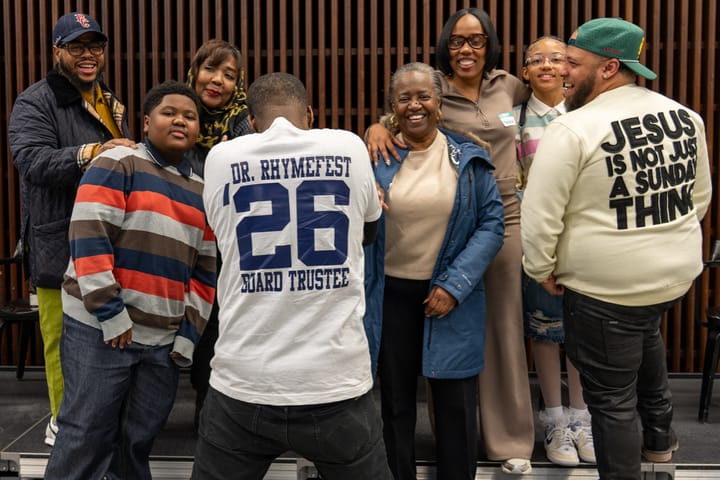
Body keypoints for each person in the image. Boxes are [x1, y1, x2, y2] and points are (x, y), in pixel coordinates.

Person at [521, 18, 712, 480]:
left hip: (604, 290)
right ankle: (661, 442)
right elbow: (698, 199)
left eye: (572, 62)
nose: (562, 71)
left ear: (609, 68)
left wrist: (542, 268)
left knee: (611, 400)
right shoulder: (685, 116)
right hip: (672, 279)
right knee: (645, 335)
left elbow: (540, 216)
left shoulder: (574, 128)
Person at [192, 72, 391, 480]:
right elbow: (369, 231)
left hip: (244, 381)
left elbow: (222, 231)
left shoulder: (221, 158)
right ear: (311, 114)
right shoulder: (349, 146)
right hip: (336, 382)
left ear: (249, 121)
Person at [366, 8, 534, 474]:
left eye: (423, 97)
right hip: (393, 293)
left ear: (439, 103)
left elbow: (490, 225)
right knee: (396, 397)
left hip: (451, 291)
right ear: (391, 106)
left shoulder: (471, 158)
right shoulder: (374, 158)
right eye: (404, 98)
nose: (414, 105)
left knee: (456, 397)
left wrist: (454, 284)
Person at [43, 80, 217, 480]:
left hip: (162, 344)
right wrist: (111, 313)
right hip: (102, 331)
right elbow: (88, 234)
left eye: (189, 116)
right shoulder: (119, 162)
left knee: (136, 442)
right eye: (169, 112)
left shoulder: (202, 191)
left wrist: (189, 335)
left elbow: (205, 270)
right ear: (145, 122)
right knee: (84, 436)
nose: (180, 120)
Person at [7, 11, 134, 447]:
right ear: (56, 51)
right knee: (62, 346)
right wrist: (94, 151)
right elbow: (32, 161)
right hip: (57, 245)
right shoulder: (35, 101)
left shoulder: (109, 100)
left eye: (95, 46)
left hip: (107, 244)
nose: (88, 55)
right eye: (77, 46)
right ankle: (63, 429)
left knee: (104, 340)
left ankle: (93, 427)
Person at [515, 36, 595, 467]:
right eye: (536, 60)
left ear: (569, 68)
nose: (547, 66)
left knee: (581, 333)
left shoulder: (586, 113)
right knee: (545, 330)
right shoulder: (514, 117)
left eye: (557, 59)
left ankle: (582, 418)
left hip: (583, 240)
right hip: (538, 241)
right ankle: (554, 419)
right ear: (524, 71)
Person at [186, 38, 253, 429]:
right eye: (210, 69)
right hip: (184, 243)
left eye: (229, 75)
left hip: (231, 249)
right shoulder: (178, 112)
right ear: (195, 71)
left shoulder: (245, 122)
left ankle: (218, 420)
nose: (217, 81)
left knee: (223, 331)